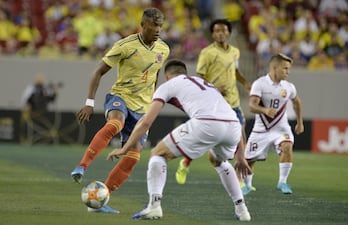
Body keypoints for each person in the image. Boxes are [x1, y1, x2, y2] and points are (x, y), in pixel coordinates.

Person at [107, 59, 252, 221]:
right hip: (233, 127)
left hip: (207, 123)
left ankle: (154, 206)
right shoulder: (205, 83)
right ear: (185, 73)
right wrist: (240, 156)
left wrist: (125, 148)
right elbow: (230, 115)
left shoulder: (168, 85)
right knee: (217, 159)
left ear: (167, 76)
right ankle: (242, 210)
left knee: (158, 154)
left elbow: (146, 122)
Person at [70, 7, 170, 213]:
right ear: (143, 25)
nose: (158, 29)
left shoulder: (163, 49)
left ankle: (100, 200)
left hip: (142, 107)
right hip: (120, 97)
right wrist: (89, 103)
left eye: (161, 25)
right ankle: (82, 166)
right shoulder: (125, 45)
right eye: (154, 25)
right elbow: (99, 70)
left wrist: (153, 101)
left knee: (133, 156)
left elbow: (155, 75)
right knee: (116, 124)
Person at [175, 18, 252, 187]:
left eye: (224, 31)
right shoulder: (207, 53)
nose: (221, 33)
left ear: (229, 33)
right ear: (212, 34)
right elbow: (200, 76)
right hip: (214, 102)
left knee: (240, 136)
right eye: (217, 31)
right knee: (201, 137)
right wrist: (215, 88)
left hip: (233, 102)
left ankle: (239, 179)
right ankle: (185, 164)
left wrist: (245, 82)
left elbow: (236, 70)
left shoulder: (235, 52)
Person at [241, 53, 304, 195]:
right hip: (261, 129)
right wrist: (264, 110)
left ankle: (282, 182)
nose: (288, 72)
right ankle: (247, 186)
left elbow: (297, 102)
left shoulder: (289, 87)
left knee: (287, 146)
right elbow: (251, 106)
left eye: (288, 69)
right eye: (285, 69)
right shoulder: (260, 84)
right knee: (249, 160)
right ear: (275, 68)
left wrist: (300, 122)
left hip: (281, 128)